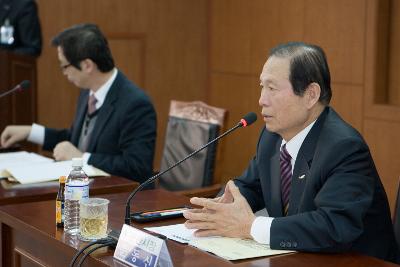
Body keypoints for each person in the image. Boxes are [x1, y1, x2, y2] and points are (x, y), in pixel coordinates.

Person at [183, 42, 399, 262]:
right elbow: (252, 186)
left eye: (272, 88)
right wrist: (222, 209)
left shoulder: (344, 148)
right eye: (262, 86)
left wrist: (251, 226)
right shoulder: (272, 137)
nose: (261, 100)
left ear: (310, 95)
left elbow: (335, 227)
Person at [0, 23, 157, 183]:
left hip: (119, 198)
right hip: (86, 191)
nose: (64, 73)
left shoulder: (135, 104)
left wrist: (82, 158)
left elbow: (137, 167)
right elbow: (76, 140)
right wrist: (30, 132)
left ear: (87, 65)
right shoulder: (88, 91)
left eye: (64, 66)